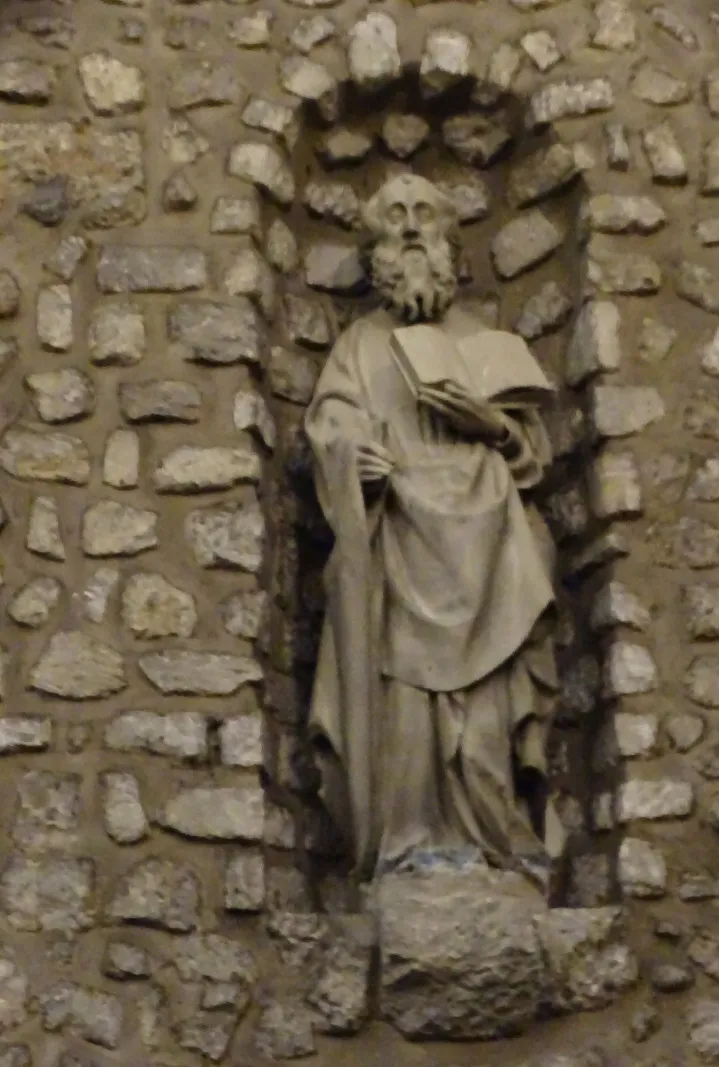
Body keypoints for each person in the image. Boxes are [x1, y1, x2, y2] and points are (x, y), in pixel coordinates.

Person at [304, 173, 564, 886]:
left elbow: (533, 462)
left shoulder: (489, 346)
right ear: (377, 243)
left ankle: (497, 842)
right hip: (399, 540)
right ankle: (411, 841)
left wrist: (494, 428)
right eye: (397, 216)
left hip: (487, 549)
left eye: (426, 215)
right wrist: (351, 454)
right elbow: (329, 430)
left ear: (450, 238)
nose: (413, 229)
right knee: (407, 709)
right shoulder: (358, 348)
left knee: (485, 716)